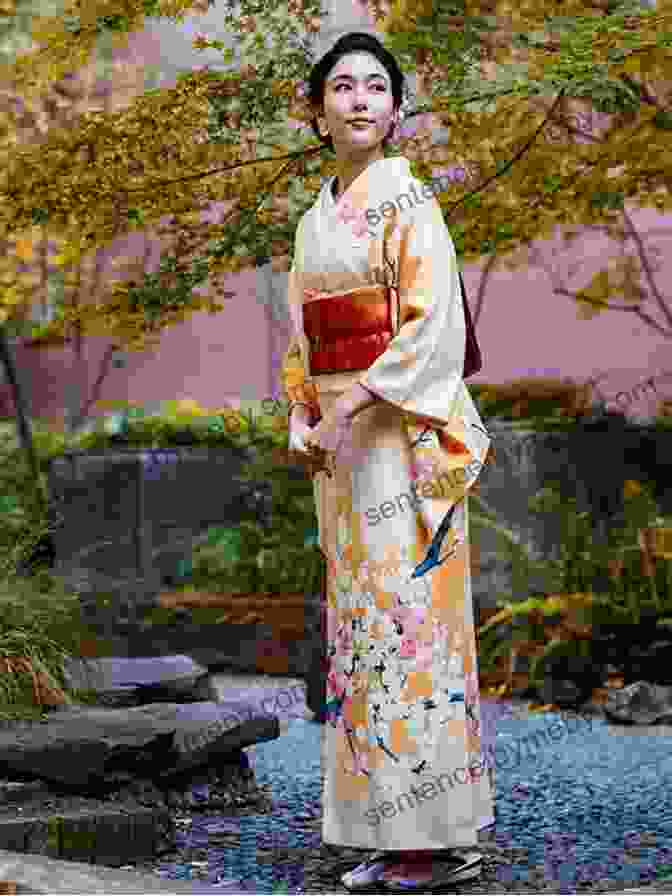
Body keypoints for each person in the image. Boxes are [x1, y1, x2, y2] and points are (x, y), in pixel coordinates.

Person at [280, 31, 494, 892]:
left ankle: (440, 840)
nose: (361, 99)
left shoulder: (412, 203)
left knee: (415, 629)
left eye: (377, 87)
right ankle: (379, 828)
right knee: (362, 633)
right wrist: (303, 411)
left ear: (396, 110)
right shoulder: (311, 221)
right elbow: (301, 339)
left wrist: (349, 408)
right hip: (341, 441)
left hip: (402, 444)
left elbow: (432, 329)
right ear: (318, 109)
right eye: (343, 86)